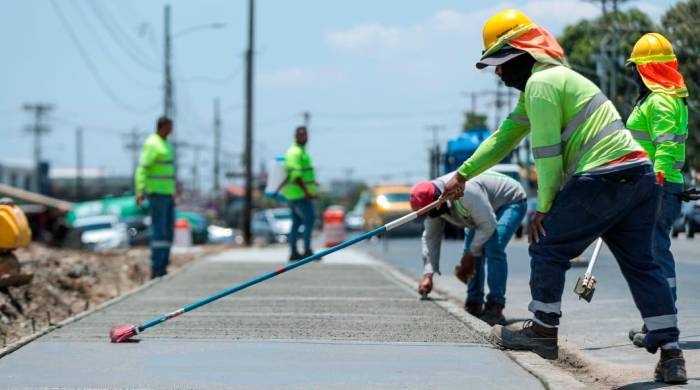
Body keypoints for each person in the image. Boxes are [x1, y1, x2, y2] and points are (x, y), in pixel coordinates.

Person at [441, 10, 685, 384]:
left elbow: (547, 155)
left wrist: (544, 207)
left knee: (546, 245)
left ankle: (542, 331)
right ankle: (671, 355)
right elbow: (503, 138)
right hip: (638, 178)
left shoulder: (542, 85)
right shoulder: (550, 83)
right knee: (642, 265)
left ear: (520, 54)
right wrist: (462, 174)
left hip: (603, 176)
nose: (498, 75)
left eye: (501, 65)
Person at [625, 33, 689, 347]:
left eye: (636, 69)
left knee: (655, 257)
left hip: (656, 188)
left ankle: (663, 326)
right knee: (653, 255)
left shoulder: (661, 99)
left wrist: (657, 181)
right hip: (653, 186)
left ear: (644, 69)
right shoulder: (664, 97)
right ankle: (658, 322)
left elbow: (664, 147)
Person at [411, 171, 527, 326]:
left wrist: (472, 253)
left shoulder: (465, 190)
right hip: (481, 209)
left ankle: (495, 307)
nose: (430, 217)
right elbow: (431, 237)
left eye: (430, 213)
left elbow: (488, 224)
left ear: (438, 200)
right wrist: (428, 274)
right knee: (470, 250)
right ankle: (474, 303)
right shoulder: (433, 207)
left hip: (510, 200)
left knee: (493, 247)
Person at [135, 116, 175, 279]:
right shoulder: (152, 144)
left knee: (167, 231)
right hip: (156, 194)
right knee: (159, 231)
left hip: (167, 194)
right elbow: (142, 169)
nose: (171, 130)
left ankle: (164, 265)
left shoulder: (165, 144)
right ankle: (157, 267)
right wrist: (140, 190)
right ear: (162, 126)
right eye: (169, 127)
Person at [283, 126, 318, 261]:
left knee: (296, 223)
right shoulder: (295, 152)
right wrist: (307, 192)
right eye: (301, 135)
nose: (304, 137)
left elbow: (305, 175)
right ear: (295, 136)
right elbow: (296, 176)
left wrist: (313, 187)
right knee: (309, 220)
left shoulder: (302, 152)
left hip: (298, 195)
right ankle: (306, 250)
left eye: (305, 135)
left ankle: (294, 252)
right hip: (299, 195)